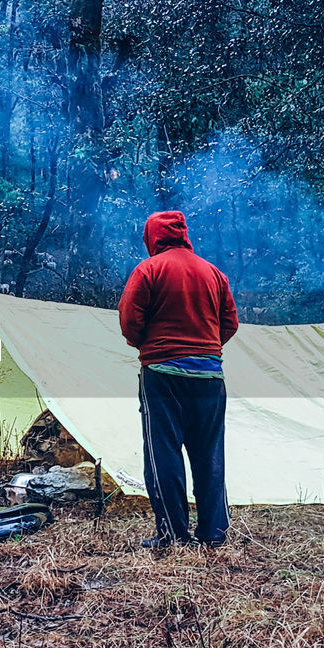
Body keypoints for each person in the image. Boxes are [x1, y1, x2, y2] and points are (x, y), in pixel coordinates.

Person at [118, 210, 239, 548]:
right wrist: (205, 346)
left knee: (164, 453)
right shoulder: (214, 273)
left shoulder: (149, 270)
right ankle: (214, 533)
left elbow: (129, 321)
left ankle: (173, 534)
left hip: (162, 374)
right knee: (209, 453)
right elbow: (230, 323)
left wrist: (149, 344)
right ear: (184, 234)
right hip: (210, 377)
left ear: (152, 237)